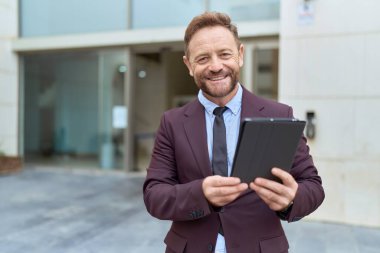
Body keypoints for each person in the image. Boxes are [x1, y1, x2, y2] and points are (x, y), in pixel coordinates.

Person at [143, 12, 324, 253]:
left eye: (225, 54)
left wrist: (292, 199)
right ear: (188, 65)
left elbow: (313, 186)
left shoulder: (280, 114)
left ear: (240, 55)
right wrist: (201, 193)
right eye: (203, 58)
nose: (216, 66)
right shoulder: (172, 122)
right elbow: (154, 195)